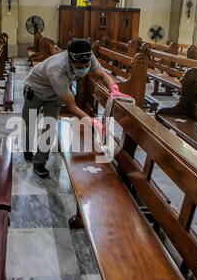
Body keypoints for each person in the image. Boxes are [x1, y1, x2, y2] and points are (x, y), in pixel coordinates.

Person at [23, 39, 125, 178]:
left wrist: (113, 87)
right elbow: (72, 106)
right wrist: (93, 122)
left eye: (86, 65)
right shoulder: (56, 69)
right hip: (35, 90)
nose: (83, 69)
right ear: (70, 60)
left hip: (55, 95)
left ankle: (39, 163)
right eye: (79, 66)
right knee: (29, 123)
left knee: (50, 127)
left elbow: (101, 73)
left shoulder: (88, 56)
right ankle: (27, 149)